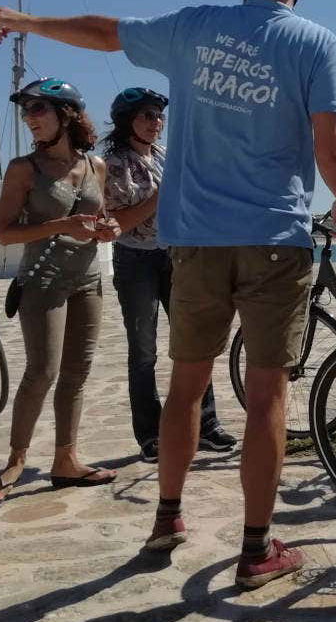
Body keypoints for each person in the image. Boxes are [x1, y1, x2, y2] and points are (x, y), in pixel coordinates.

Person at [0, 0, 336, 588]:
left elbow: (104, 33)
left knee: (185, 384)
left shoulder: (195, 27)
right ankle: (257, 549)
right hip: (273, 237)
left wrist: (27, 21)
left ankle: (167, 517)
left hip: (196, 241)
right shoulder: (317, 43)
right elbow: (330, 142)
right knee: (267, 398)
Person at [0, 77, 122, 507]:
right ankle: (15, 461)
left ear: (67, 114)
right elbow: (4, 234)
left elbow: (104, 217)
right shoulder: (24, 170)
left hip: (88, 282)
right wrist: (61, 225)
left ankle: (66, 459)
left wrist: (109, 228)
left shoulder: (96, 166)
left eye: (38, 109)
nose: (29, 119)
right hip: (42, 283)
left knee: (77, 374)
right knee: (42, 372)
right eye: (26, 112)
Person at [101, 87, 237, 463]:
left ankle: (205, 426)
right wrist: (163, 195)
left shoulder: (166, 156)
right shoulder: (114, 163)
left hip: (177, 257)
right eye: (147, 115)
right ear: (127, 120)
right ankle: (150, 434)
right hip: (136, 262)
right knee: (143, 351)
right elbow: (120, 222)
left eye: (159, 116)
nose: (156, 122)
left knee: (194, 344)